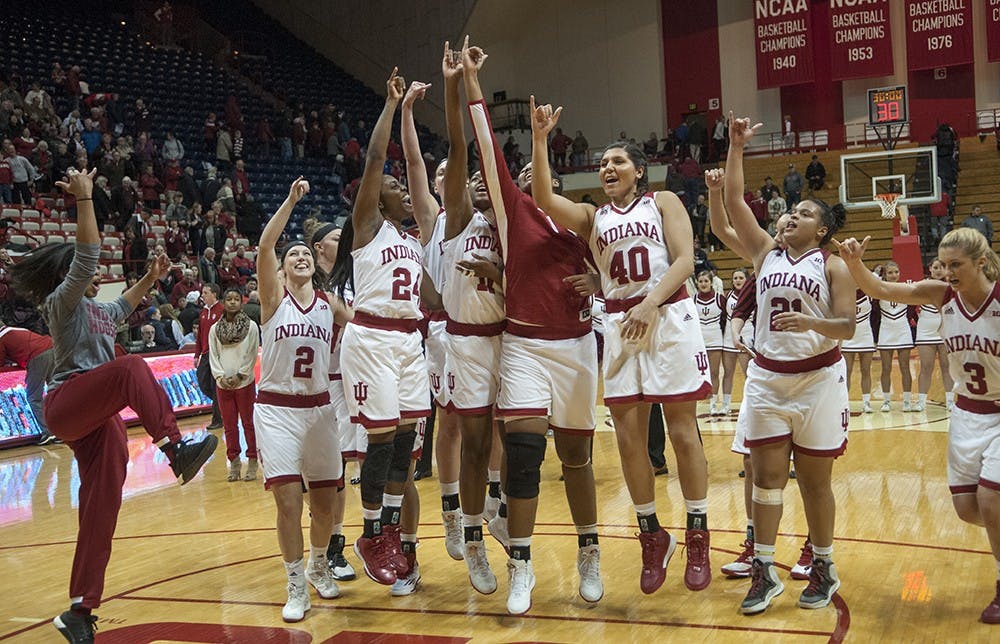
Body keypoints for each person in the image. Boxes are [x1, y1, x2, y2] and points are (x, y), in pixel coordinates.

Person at [11, 168, 217, 643]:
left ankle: (80, 609)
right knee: (129, 368)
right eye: (85, 271)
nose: (95, 274)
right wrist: (85, 200)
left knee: (101, 511)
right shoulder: (61, 304)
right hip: (68, 402)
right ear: (69, 276)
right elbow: (86, 254)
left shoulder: (99, 311)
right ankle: (175, 449)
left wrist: (151, 277)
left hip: (98, 420)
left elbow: (122, 305)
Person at [529, 74, 713, 599]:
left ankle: (696, 533)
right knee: (630, 439)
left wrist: (652, 302)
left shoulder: (664, 203)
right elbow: (543, 197)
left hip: (668, 317)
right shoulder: (592, 216)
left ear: (639, 171)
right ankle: (652, 536)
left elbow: (684, 260)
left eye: (619, 162)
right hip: (619, 323)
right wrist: (541, 139)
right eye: (604, 163)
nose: (609, 168)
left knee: (681, 433)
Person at [467, 40, 603, 614]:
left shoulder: (588, 223)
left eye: (538, 169)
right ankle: (520, 564)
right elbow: (485, 144)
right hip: (523, 344)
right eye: (522, 170)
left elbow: (623, 281)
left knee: (576, 457)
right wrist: (472, 80)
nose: (526, 173)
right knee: (523, 454)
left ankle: (589, 550)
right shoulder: (513, 211)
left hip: (575, 346)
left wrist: (599, 283)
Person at [834, 227, 1000, 624]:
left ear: (981, 263)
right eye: (943, 265)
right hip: (966, 413)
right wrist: (855, 263)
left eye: (956, 265)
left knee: (992, 501)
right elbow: (879, 290)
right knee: (968, 508)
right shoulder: (941, 295)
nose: (948, 273)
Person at [724, 113, 854, 615]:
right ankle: (763, 569)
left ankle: (823, 564)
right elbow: (735, 203)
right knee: (765, 479)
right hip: (768, 381)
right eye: (789, 212)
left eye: (803, 212)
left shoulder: (834, 265)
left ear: (821, 228)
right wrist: (738, 147)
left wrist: (812, 326)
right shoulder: (764, 253)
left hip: (820, 380)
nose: (791, 216)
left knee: (817, 483)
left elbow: (847, 326)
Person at [339, 69, 435, 594]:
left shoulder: (414, 242)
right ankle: (370, 533)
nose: (397, 189)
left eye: (401, 187)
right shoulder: (368, 227)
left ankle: (391, 529)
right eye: (392, 187)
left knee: (406, 444)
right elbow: (375, 161)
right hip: (372, 338)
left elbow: (430, 301)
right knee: (379, 440)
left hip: (409, 342)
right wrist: (391, 106)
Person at [253, 178, 342, 622]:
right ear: (284, 269)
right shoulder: (273, 300)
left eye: (306, 254)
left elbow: (369, 324)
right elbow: (265, 245)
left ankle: (319, 563)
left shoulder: (330, 304)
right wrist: (290, 200)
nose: (301, 257)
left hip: (322, 408)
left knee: (325, 505)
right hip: (277, 409)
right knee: (288, 502)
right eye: (294, 256)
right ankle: (293, 580)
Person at [441, 41, 506, 594]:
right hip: (467, 342)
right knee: (476, 443)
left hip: (513, 340)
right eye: (472, 178)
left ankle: (504, 511)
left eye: (491, 177)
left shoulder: (513, 223)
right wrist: (454, 84)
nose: (480, 181)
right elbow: (461, 149)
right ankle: (473, 538)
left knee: (519, 437)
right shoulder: (459, 216)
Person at [308, 218, 359, 583]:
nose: (343, 241)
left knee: (338, 472)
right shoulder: (302, 284)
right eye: (336, 237)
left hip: (345, 382)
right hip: (307, 386)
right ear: (317, 247)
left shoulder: (354, 278)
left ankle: (335, 545)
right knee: (308, 479)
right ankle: (320, 542)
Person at [209, 287, 260, 482]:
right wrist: (220, 376)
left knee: (249, 423)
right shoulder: (215, 329)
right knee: (229, 426)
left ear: (241, 302)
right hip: (223, 385)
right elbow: (213, 354)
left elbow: (252, 353)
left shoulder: (251, 327)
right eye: (228, 298)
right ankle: (235, 462)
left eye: (236, 299)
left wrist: (241, 375)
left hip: (244, 382)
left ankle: (253, 460)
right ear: (223, 301)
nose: (232, 302)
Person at [0, 323, 56, 444]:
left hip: (37, 357)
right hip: (52, 349)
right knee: (54, 394)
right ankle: (60, 430)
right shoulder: (15, 329)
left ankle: (48, 432)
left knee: (33, 397)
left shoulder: (1, 337)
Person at [914, 259, 955, 412]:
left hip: (946, 331)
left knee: (947, 367)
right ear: (930, 268)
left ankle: (950, 401)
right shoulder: (923, 285)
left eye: (942, 267)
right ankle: (921, 401)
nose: (938, 271)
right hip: (925, 332)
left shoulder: (951, 287)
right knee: (926, 367)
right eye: (935, 267)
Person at [874, 261, 915, 412]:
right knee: (886, 367)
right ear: (885, 275)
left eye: (896, 272)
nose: (894, 275)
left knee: (905, 367)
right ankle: (886, 401)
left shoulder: (906, 288)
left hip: (902, 329)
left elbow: (912, 307)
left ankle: (906, 401)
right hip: (885, 330)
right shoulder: (879, 289)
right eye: (890, 272)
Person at [719, 268, 751, 415]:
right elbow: (723, 318)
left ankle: (749, 403)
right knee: (728, 373)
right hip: (728, 338)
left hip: (747, 336)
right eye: (735, 278)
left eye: (740, 278)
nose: (737, 280)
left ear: (747, 280)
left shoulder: (752, 295)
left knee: (747, 373)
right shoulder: (728, 296)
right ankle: (726, 405)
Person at [842, 284, 877, 414]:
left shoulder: (869, 291)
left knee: (866, 371)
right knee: (846, 372)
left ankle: (866, 403)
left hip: (865, 336)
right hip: (848, 337)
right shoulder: (843, 293)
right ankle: (844, 403)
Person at [694, 271, 725, 416]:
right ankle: (693, 403)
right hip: (699, 341)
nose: (703, 284)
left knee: (713, 373)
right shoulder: (692, 300)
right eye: (700, 281)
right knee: (697, 373)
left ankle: (713, 405)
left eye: (706, 281)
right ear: (697, 283)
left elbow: (726, 319)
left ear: (711, 282)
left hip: (715, 339)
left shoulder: (720, 299)